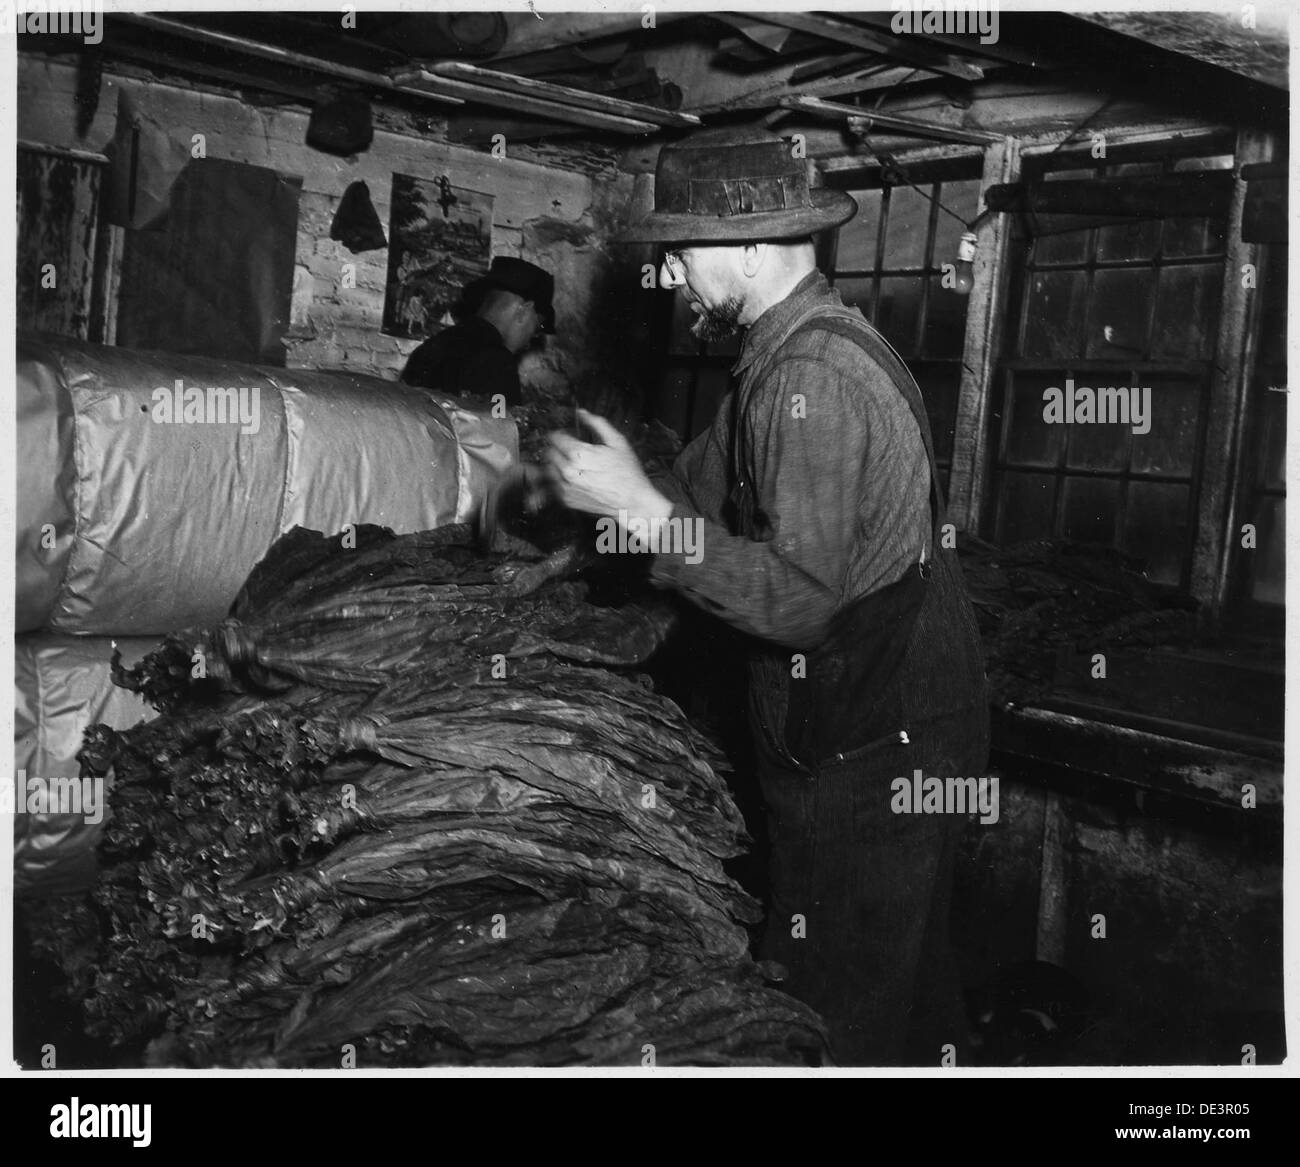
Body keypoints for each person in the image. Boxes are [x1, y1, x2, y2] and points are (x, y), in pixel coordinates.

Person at [544, 125, 990, 1066]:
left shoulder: (813, 376)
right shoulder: (777, 356)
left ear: (747, 248)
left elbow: (802, 604)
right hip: (884, 707)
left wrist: (640, 512)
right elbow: (701, 485)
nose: (675, 274)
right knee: (908, 982)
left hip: (876, 729)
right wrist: (605, 485)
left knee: (831, 1001)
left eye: (685, 253)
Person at [401, 256, 554, 408]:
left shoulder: (430, 347)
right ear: (523, 311)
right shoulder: (497, 363)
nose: (529, 341)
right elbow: (500, 426)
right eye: (537, 327)